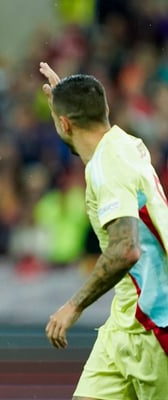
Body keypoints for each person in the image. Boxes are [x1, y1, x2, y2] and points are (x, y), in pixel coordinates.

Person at [39, 61, 168, 399]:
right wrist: (64, 102)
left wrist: (74, 306)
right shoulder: (123, 143)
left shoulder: (107, 166)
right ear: (105, 110)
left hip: (155, 322)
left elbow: (126, 249)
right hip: (123, 321)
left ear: (64, 124)